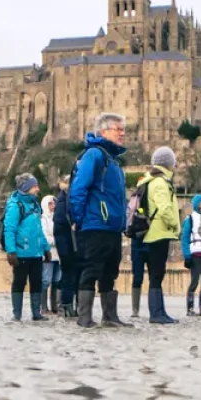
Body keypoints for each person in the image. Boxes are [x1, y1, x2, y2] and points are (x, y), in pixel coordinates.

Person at [67, 112, 131, 328]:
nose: (122, 133)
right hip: (95, 224)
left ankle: (109, 316)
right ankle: (84, 317)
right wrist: (78, 218)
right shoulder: (94, 155)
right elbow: (78, 188)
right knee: (91, 268)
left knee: (109, 272)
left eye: (123, 129)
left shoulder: (114, 161)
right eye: (118, 129)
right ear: (103, 131)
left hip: (112, 226)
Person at [140, 146, 181, 324]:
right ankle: (156, 313)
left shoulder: (150, 180)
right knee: (157, 274)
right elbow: (164, 208)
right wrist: (174, 225)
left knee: (156, 274)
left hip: (152, 232)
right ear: (168, 163)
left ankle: (160, 311)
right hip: (158, 232)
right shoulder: (160, 182)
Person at [2, 174, 50, 322]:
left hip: (36, 252)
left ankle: (36, 313)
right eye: (35, 186)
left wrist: (46, 248)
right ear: (26, 188)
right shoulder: (15, 205)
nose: (38, 189)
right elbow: (9, 230)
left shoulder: (35, 205)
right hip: (21, 252)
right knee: (19, 282)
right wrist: (11, 252)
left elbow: (39, 230)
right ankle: (17, 314)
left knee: (37, 282)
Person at [52, 170, 82, 319]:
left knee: (74, 275)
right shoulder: (64, 201)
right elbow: (60, 228)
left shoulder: (66, 199)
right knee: (70, 275)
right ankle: (66, 306)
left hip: (72, 245)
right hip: (69, 246)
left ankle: (72, 307)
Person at [40, 191, 61, 314]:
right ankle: (43, 307)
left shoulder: (56, 219)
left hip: (58, 254)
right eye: (50, 204)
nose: (53, 206)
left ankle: (54, 307)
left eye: (54, 203)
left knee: (56, 280)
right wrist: (57, 239)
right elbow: (44, 236)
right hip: (48, 253)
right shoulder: (43, 219)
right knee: (46, 280)